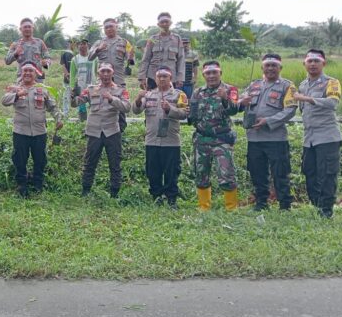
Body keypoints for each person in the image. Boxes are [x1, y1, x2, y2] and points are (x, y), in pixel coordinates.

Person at [238, 53, 297, 212]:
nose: (270, 68)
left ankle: (285, 205)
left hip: (276, 139)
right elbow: (240, 102)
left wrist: (268, 121)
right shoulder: (253, 85)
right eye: (267, 65)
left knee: (280, 173)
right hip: (254, 139)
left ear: (280, 68)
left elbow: (290, 110)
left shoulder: (287, 86)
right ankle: (261, 203)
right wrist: (241, 102)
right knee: (257, 172)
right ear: (262, 67)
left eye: (274, 65)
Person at [293, 49, 342, 218]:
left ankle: (326, 210)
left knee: (328, 174)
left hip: (327, 137)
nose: (313, 64)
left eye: (316, 61)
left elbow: (332, 103)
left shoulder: (331, 82)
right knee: (309, 172)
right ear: (304, 64)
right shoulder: (303, 85)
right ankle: (317, 205)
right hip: (309, 138)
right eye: (310, 61)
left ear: (324, 63)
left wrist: (306, 99)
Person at [2, 61, 63, 197]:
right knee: (19, 160)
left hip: (39, 131)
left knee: (40, 159)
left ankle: (37, 184)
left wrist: (59, 119)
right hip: (20, 132)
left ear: (36, 74)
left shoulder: (42, 89)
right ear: (21, 73)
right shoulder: (15, 88)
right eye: (25, 71)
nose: (28, 73)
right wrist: (17, 94)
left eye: (31, 71)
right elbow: (4, 101)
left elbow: (52, 106)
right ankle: (21, 185)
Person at [71, 62, 132, 199]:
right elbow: (77, 103)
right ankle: (86, 190)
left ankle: (114, 193)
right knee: (89, 162)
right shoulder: (91, 89)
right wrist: (73, 96)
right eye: (102, 71)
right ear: (98, 73)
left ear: (112, 73)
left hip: (112, 131)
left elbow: (127, 107)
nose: (105, 74)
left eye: (108, 71)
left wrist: (112, 99)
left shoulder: (120, 90)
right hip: (94, 131)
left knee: (115, 163)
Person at [131, 66, 188, 209]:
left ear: (171, 78)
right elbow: (136, 110)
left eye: (165, 76)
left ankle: (171, 199)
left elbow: (185, 113)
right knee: (152, 171)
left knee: (171, 171)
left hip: (171, 141)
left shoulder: (179, 94)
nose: (162, 79)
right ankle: (156, 196)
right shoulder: (148, 95)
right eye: (159, 76)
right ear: (155, 79)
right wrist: (138, 98)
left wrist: (170, 109)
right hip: (152, 140)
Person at [188, 60, 240, 211]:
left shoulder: (230, 89)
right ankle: (204, 207)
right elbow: (191, 114)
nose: (211, 76)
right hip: (202, 139)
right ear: (203, 75)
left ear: (220, 73)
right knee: (201, 174)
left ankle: (231, 207)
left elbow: (235, 110)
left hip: (221, 139)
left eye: (214, 72)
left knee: (226, 174)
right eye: (208, 73)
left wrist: (225, 99)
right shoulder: (198, 92)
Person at [88, 18, 134, 132]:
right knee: (101, 103)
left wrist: (131, 57)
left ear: (116, 27)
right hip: (102, 80)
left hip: (118, 78)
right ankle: (99, 129)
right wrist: (98, 49)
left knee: (120, 103)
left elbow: (131, 60)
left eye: (111, 26)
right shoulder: (99, 42)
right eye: (106, 27)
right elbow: (90, 57)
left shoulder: (124, 42)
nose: (108, 29)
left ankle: (120, 131)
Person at [139, 12, 185, 90]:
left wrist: (180, 77)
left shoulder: (177, 39)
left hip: (171, 76)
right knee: (151, 99)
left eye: (166, 22)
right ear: (158, 24)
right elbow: (146, 59)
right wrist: (142, 77)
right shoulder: (152, 39)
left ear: (170, 23)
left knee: (170, 99)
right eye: (162, 22)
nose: (164, 24)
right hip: (153, 76)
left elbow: (181, 59)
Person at [5, 18, 51, 82]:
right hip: (22, 79)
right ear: (20, 29)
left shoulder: (40, 42)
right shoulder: (15, 44)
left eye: (29, 27)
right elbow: (7, 61)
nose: (27, 29)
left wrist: (46, 63)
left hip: (38, 79)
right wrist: (16, 53)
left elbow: (48, 58)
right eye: (25, 27)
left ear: (33, 29)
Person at [71, 39, 97, 122]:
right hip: (80, 87)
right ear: (77, 46)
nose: (82, 45)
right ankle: (83, 123)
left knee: (94, 106)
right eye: (80, 44)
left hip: (92, 87)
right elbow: (72, 74)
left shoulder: (94, 58)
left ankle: (93, 123)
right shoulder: (75, 59)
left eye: (84, 43)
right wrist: (72, 88)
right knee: (81, 107)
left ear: (88, 45)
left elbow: (96, 71)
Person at [60, 44, 75, 117]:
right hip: (67, 79)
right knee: (66, 96)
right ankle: (65, 114)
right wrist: (67, 74)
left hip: (77, 79)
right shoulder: (64, 53)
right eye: (70, 43)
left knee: (78, 96)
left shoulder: (77, 53)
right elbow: (63, 65)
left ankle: (80, 114)